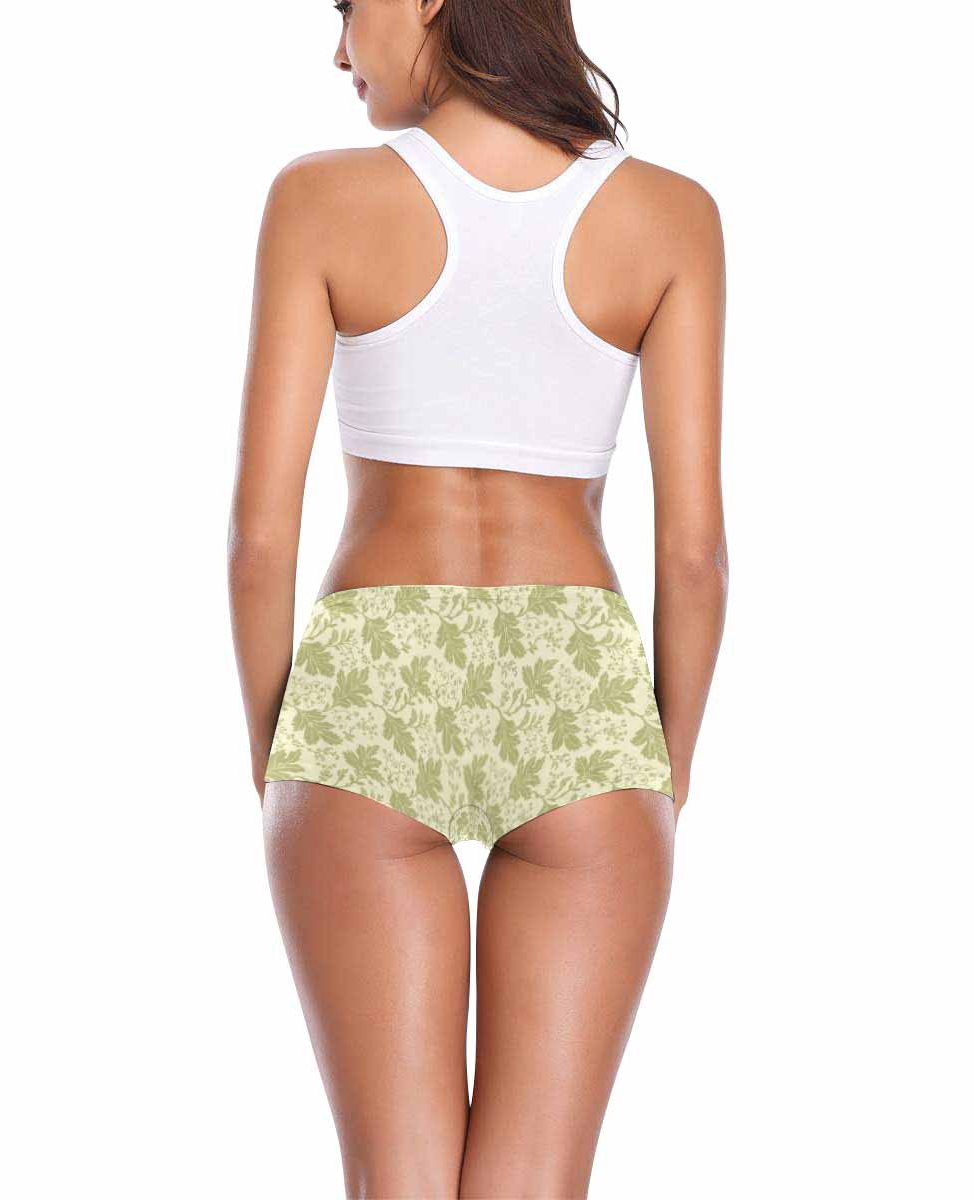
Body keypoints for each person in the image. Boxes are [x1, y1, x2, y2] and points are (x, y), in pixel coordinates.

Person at [228, 1, 727, 1194]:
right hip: (579, 690)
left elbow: (258, 539)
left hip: (371, 680)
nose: (339, 51)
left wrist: (279, 754)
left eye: (346, 9)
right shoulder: (670, 216)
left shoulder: (318, 198)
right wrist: (663, 771)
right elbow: (697, 554)